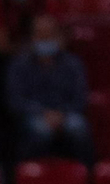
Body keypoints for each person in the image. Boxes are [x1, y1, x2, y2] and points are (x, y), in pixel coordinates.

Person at [6, 15, 91, 162]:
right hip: (33, 115)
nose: (45, 39)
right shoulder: (19, 65)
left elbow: (80, 98)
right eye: (41, 35)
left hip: (65, 114)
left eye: (49, 34)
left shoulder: (72, 64)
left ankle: (86, 177)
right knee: (40, 131)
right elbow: (15, 100)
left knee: (78, 127)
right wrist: (43, 113)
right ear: (32, 37)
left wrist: (61, 114)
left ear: (58, 36)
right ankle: (30, 176)